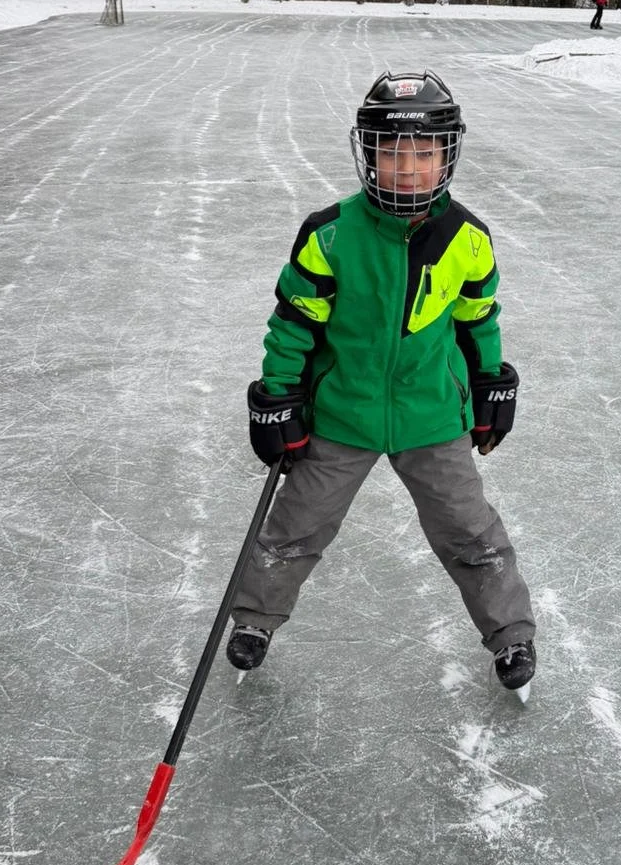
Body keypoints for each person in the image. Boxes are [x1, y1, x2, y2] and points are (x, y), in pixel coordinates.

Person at [225, 70, 537, 695]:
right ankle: (256, 619)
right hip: (344, 414)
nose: (409, 168)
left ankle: (511, 635)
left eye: (424, 154)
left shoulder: (467, 240)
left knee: (471, 532)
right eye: (392, 153)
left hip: (432, 417)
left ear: (446, 156)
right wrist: (278, 396)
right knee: (294, 527)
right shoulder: (330, 233)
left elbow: (479, 319)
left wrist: (489, 389)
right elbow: (294, 324)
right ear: (367, 154)